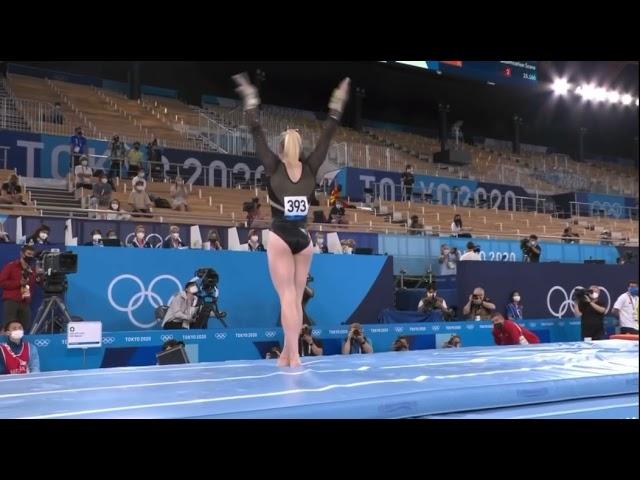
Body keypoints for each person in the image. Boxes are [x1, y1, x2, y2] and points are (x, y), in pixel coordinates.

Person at [234, 72, 349, 367]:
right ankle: (288, 352)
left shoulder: (273, 166)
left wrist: (250, 97)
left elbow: (256, 130)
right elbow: (328, 133)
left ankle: (295, 356)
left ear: (282, 147)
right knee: (295, 299)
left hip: (281, 235)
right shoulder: (311, 167)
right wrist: (337, 103)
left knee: (287, 297)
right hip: (304, 238)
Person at [0, 246, 40, 331]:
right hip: (11, 301)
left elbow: (36, 283)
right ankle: (5, 344)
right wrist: (19, 283)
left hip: (25, 302)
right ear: (22, 254)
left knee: (24, 327)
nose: (30, 256)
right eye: (28, 254)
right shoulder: (11, 266)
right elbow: (2, 282)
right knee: (9, 326)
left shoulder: (32, 270)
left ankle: (22, 344)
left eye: (32, 255)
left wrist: (39, 276)